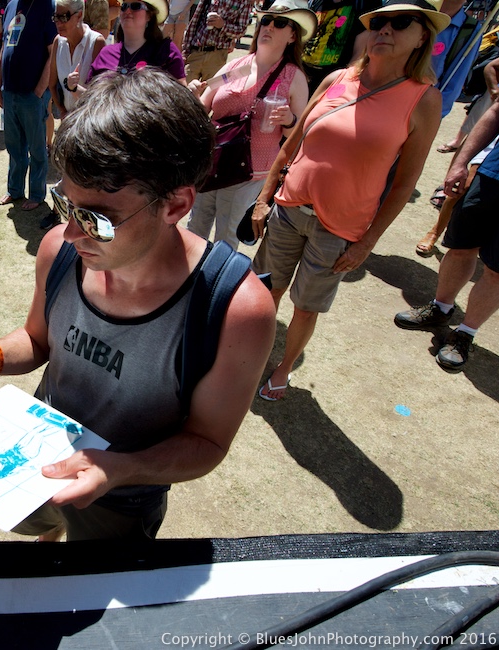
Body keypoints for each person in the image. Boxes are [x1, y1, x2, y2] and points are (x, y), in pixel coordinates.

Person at [0, 68, 276, 542]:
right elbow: (37, 340)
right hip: (38, 460)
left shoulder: (236, 309)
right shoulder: (60, 250)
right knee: (43, 535)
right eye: (65, 204)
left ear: (175, 205)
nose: (71, 233)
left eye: (96, 219)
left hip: (124, 496)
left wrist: (120, 468)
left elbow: (208, 442)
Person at [248, 0, 444, 401]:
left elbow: (405, 184)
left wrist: (368, 242)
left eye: (400, 23)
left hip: (340, 228)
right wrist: (263, 198)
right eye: (379, 23)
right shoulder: (337, 78)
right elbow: (290, 146)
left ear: (422, 36)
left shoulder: (424, 100)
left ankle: (284, 368)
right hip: (287, 209)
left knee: (307, 306)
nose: (385, 30)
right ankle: (246, 359)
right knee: (263, 292)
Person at [186, 0, 313, 249]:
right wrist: (194, 94)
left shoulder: (293, 77)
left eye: (281, 23)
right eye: (266, 21)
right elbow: (204, 107)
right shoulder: (236, 66)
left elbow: (296, 135)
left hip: (249, 171)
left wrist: (290, 120)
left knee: (226, 237)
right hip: (213, 161)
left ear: (292, 36)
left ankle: (216, 284)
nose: (269, 26)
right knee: (195, 228)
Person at [393, 98, 499, 373]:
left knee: (497, 270)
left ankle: (466, 333)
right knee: (460, 247)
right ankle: (440, 308)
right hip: (493, 174)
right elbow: (495, 113)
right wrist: (461, 162)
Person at [0, 0, 57, 213]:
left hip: (32, 93)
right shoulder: (12, 5)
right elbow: (5, 46)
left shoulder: (47, 6)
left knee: (37, 149)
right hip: (10, 90)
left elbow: (53, 50)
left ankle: (37, 194)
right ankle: (15, 190)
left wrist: (40, 89)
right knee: (14, 147)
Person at [88, 0, 185, 84]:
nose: (128, 11)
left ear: (149, 16)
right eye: (124, 6)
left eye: (135, 6)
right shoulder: (106, 53)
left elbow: (180, 95)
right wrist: (73, 88)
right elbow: (90, 96)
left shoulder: (166, 51)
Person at [301, 0, 381, 92]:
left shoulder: (364, 4)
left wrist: (342, 86)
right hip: (303, 80)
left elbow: (359, 55)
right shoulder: (314, 2)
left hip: (335, 85)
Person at [50, 0, 106, 117]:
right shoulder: (58, 42)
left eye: (64, 17)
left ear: (79, 15)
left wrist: (75, 88)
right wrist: (62, 110)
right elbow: (52, 84)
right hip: (68, 119)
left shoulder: (96, 43)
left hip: (88, 119)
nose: (59, 23)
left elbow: (101, 92)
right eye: (56, 17)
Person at [181, 0, 254, 81]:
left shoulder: (244, 2)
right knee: (184, 89)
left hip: (217, 56)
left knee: (208, 90)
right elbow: (194, 22)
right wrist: (185, 50)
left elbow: (241, 31)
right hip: (196, 51)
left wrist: (223, 25)